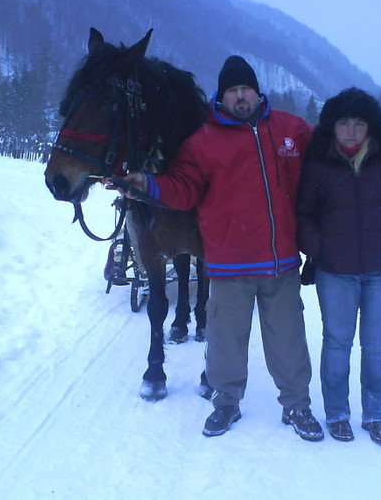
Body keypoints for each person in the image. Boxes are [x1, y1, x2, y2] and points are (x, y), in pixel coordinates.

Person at [119, 55, 324, 441]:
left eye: (246, 88)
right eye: (233, 90)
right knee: (225, 340)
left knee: (288, 340)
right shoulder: (202, 143)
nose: (241, 96)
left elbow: (326, 146)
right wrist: (148, 184)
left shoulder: (288, 129)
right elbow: (182, 188)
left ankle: (297, 405)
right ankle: (226, 403)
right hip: (229, 265)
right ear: (222, 95)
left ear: (257, 92)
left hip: (280, 263)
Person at [296, 87, 381, 445]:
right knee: (337, 343)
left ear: (370, 126)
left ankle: (375, 415)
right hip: (335, 272)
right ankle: (337, 413)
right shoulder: (318, 165)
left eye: (359, 123)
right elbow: (303, 213)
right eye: (344, 123)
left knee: (377, 346)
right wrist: (316, 245)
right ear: (332, 127)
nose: (352, 130)